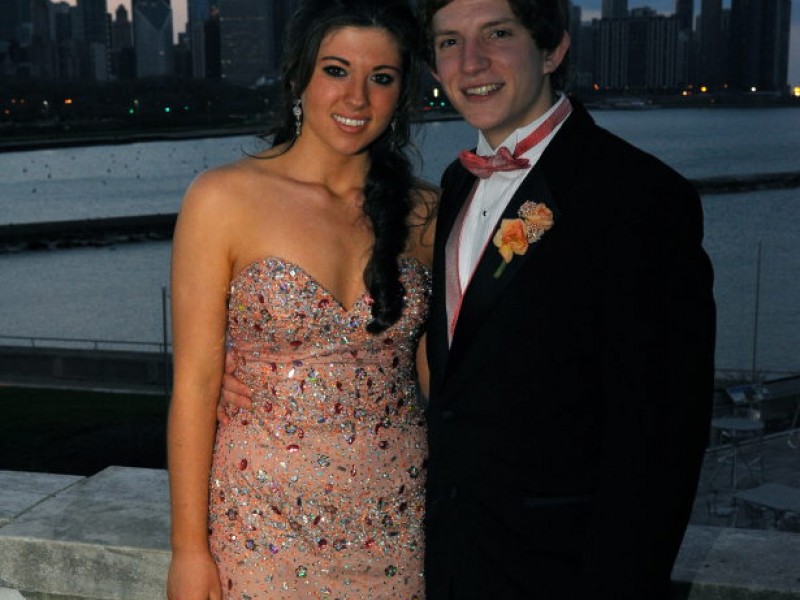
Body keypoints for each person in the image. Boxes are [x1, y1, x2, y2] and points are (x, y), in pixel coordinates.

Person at [222, 0, 716, 598]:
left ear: (553, 48)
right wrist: (265, 367)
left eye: (498, 34)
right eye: (450, 42)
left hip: (560, 571)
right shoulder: (449, 193)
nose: (472, 61)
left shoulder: (637, 196)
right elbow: (433, 366)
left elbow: (661, 441)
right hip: (442, 554)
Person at [166, 0, 435, 598]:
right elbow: (194, 384)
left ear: (403, 94)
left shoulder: (425, 214)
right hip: (259, 524)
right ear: (299, 78)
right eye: (336, 71)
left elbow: (442, 376)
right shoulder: (222, 199)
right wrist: (188, 551)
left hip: (401, 520)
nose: (357, 99)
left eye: (382, 79)